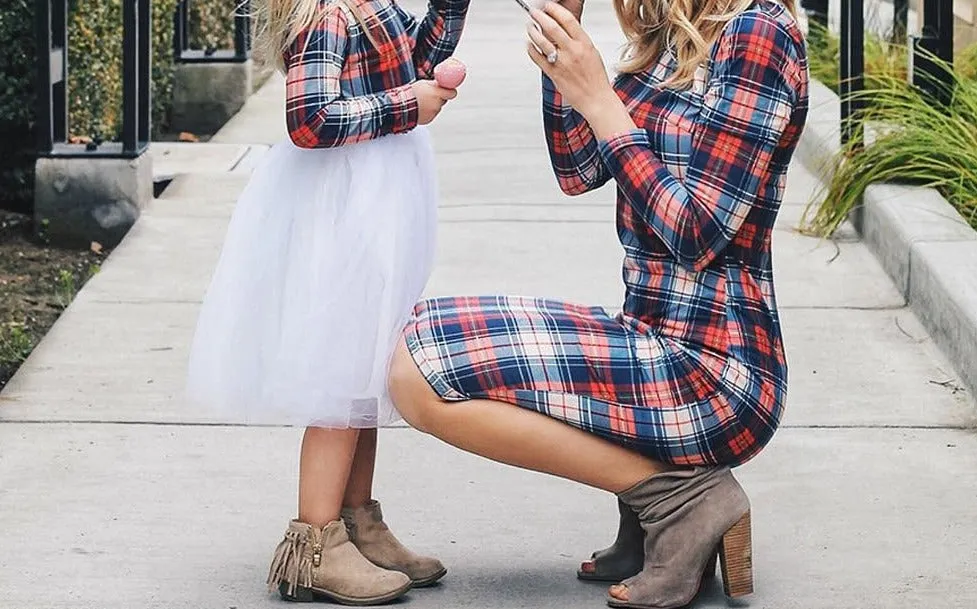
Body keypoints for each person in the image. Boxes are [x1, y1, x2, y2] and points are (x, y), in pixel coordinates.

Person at [388, 0, 808, 607]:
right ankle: (660, 495)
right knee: (416, 334)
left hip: (716, 371)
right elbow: (579, 167)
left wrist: (601, 101)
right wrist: (565, 44)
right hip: (651, 336)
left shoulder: (758, 32)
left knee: (422, 375)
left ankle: (683, 499)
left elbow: (698, 231)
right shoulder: (674, 32)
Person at [185, 0, 469, 603]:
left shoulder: (369, 5)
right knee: (343, 368)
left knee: (366, 367)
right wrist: (405, 106)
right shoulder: (330, 13)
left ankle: (358, 521)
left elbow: (418, 60)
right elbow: (309, 119)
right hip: (347, 208)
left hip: (380, 198)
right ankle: (315, 545)